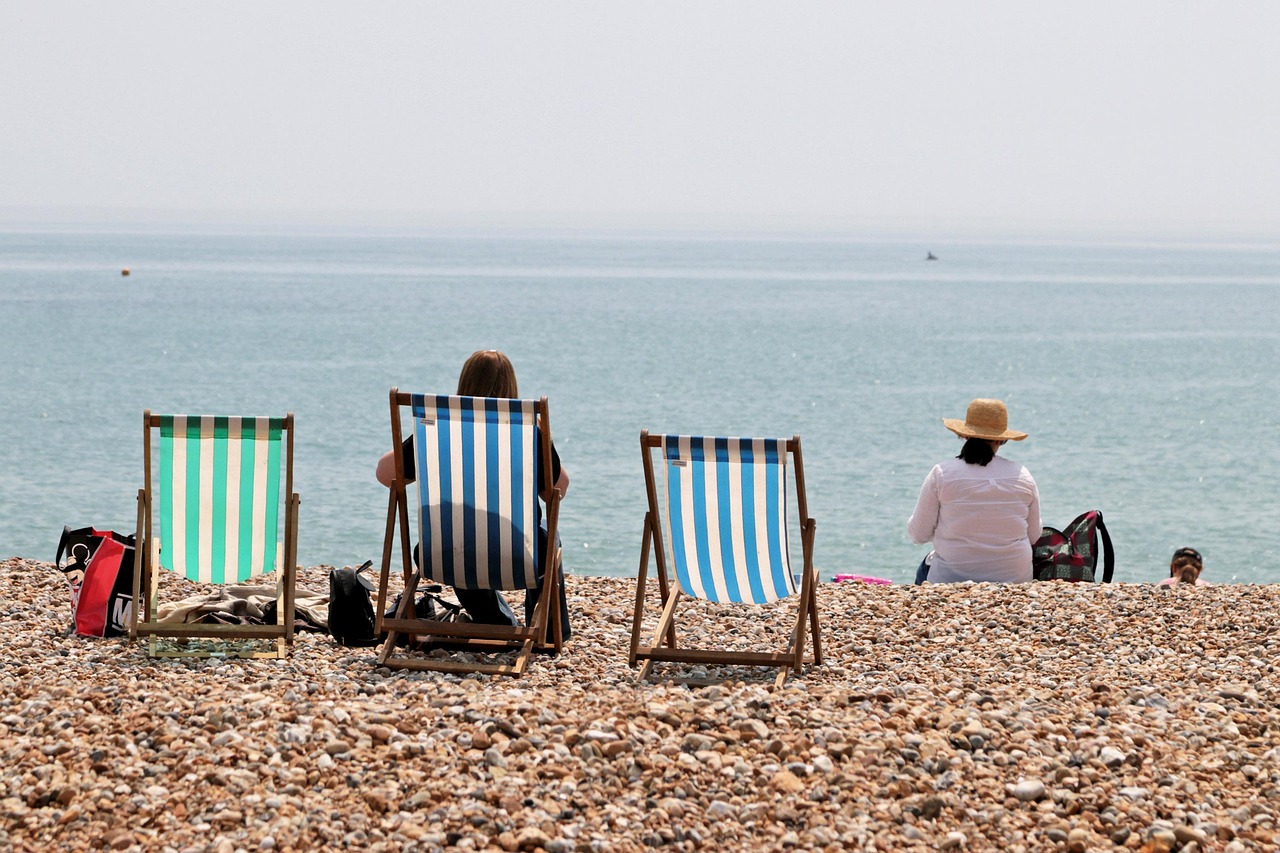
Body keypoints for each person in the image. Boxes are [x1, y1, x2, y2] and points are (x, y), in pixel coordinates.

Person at [376, 349, 572, 639]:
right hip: (519, 556)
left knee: (462, 537)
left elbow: (385, 473)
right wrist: (545, 442)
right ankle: (549, 633)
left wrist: (421, 439)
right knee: (547, 538)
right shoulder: (528, 429)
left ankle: (496, 623)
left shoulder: (437, 429)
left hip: (442, 553)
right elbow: (557, 490)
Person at [907, 398, 1041, 584]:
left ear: (964, 435)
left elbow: (918, 534)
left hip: (950, 579)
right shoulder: (1023, 475)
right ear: (1002, 439)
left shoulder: (942, 474)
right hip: (1014, 579)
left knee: (925, 567)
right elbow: (1034, 536)